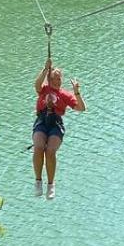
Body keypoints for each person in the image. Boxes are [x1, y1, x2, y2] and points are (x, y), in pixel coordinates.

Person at [33, 56, 85, 200]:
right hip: (42, 120)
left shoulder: (64, 95)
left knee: (50, 151)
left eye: (59, 79)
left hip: (56, 123)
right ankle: (38, 181)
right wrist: (45, 69)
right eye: (54, 78)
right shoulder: (44, 89)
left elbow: (81, 108)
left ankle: (51, 184)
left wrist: (76, 92)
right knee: (38, 147)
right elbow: (36, 85)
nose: (57, 81)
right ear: (49, 80)